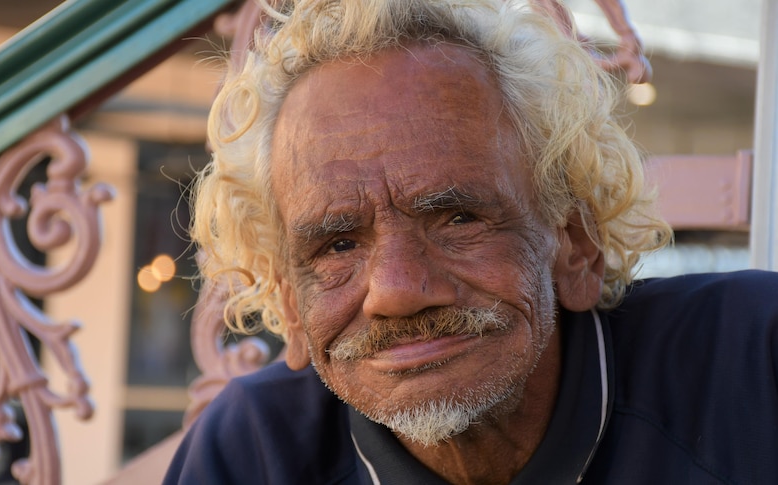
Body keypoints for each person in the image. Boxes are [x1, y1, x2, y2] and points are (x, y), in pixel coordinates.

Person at [165, 0, 778, 483]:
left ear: (575, 242)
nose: (397, 292)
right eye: (337, 246)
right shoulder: (250, 455)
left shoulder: (753, 364)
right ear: (290, 305)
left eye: (457, 219)